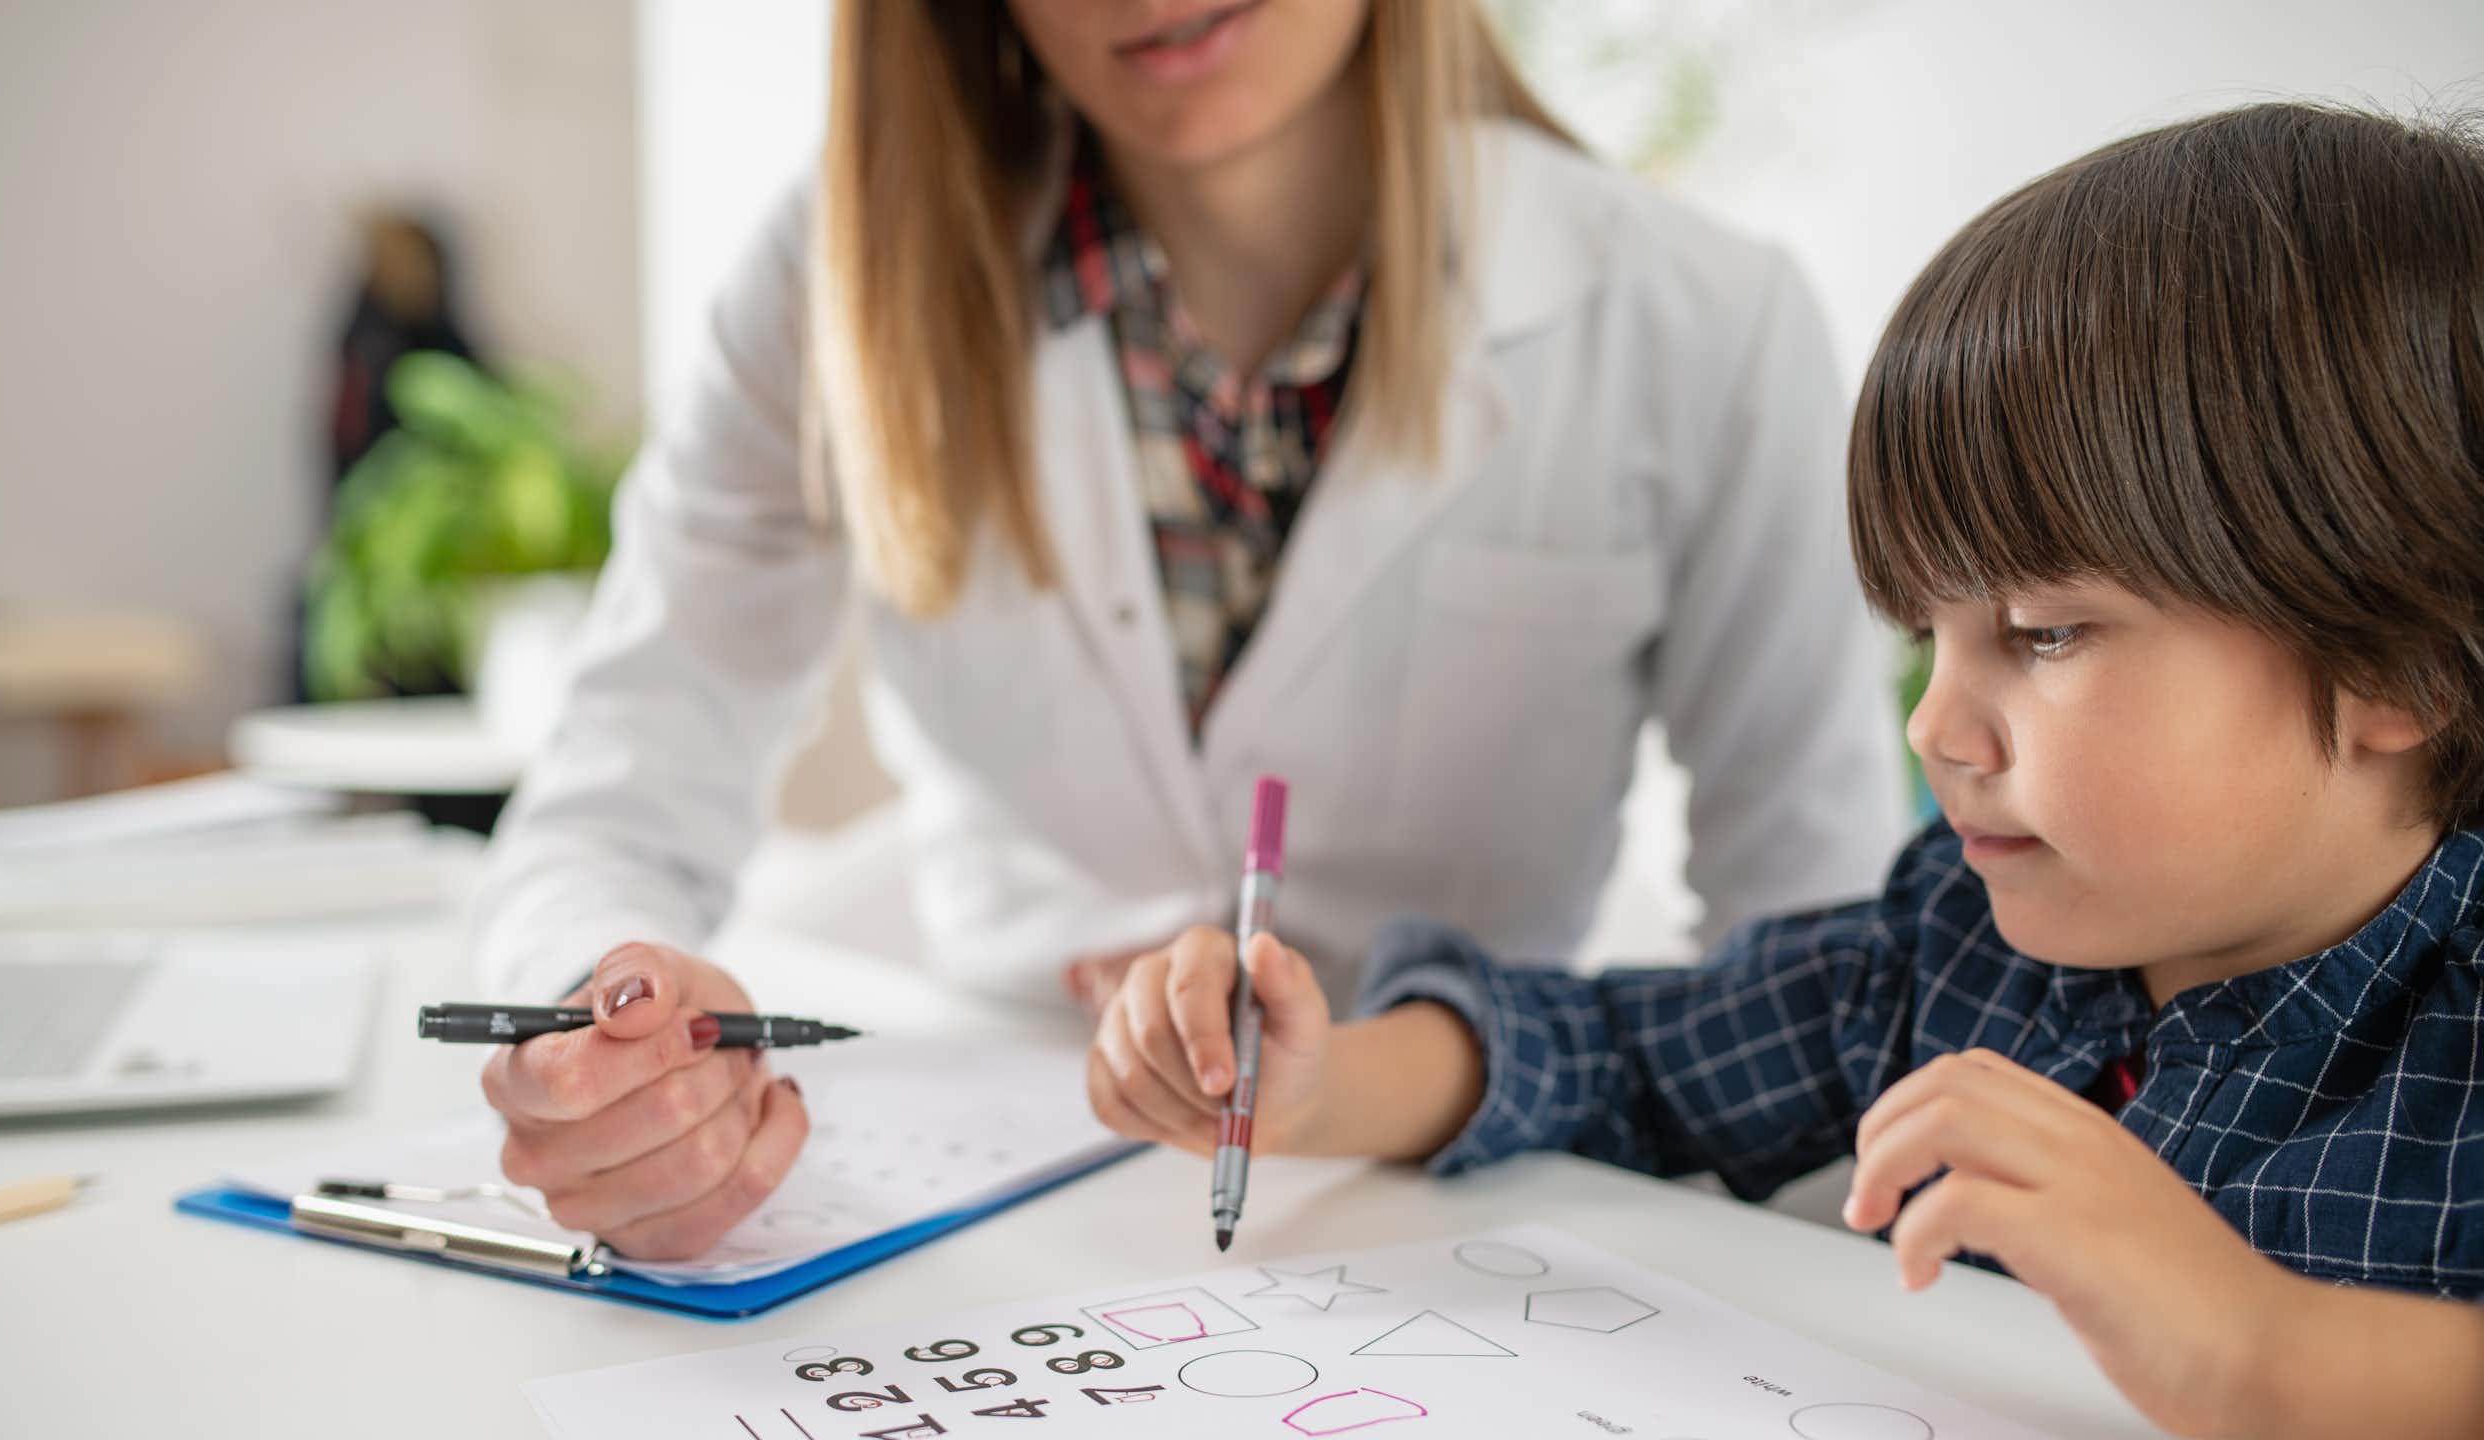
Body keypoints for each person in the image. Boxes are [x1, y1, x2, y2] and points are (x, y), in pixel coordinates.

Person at [1086, 102, 2484, 1439]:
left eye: (2046, 634)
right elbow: (1615, 1056)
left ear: (2400, 672)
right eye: (1927, 636)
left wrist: (2251, 1346)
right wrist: (1321, 1085)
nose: (1935, 727)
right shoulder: (1949, 943)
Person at [472, 0, 1907, 1262]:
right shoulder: (835, 275)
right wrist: (609, 1049)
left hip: (1469, 1212)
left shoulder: (1702, 321)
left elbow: (1823, 960)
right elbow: (617, 790)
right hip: (970, 1215)